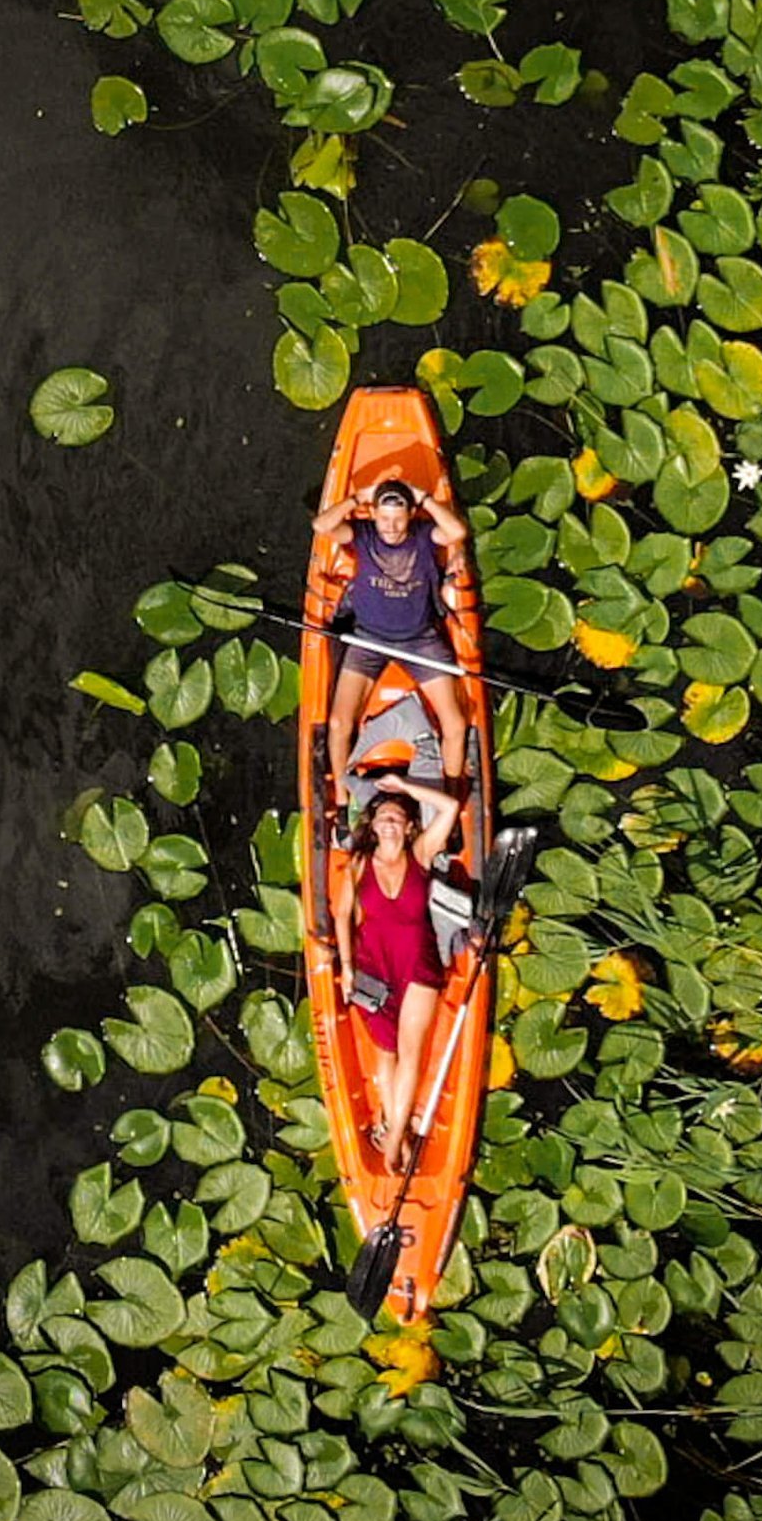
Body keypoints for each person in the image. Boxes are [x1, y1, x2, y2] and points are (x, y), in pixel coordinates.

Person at [332, 772, 460, 1174]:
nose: (388, 822)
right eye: (382, 816)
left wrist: (404, 789)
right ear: (371, 825)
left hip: (418, 964)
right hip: (374, 966)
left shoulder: (420, 854)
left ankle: (392, 1140)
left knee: (411, 1049)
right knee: (385, 1051)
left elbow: (451, 808)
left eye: (396, 818)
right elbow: (341, 917)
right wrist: (349, 968)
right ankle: (396, 1129)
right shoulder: (357, 865)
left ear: (408, 828)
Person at [312, 469, 468, 796]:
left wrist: (423, 496)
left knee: (455, 725)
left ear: (412, 515)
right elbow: (321, 526)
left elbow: (456, 531)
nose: (391, 528)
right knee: (340, 724)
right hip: (368, 639)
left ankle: (448, 798)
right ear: (373, 515)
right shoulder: (363, 534)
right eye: (384, 519)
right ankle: (343, 800)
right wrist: (359, 498)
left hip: (420, 641)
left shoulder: (425, 535)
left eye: (399, 519)